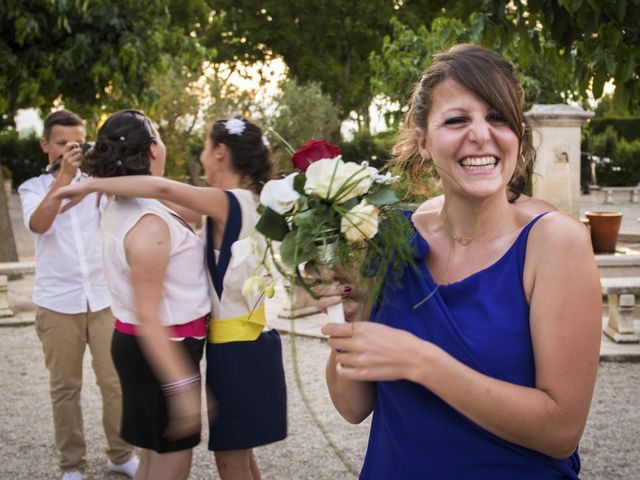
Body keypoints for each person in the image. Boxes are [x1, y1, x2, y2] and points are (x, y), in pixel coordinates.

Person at [319, 44, 602, 479]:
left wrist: (421, 361)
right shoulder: (391, 235)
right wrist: (348, 321)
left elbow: (560, 430)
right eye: (456, 120)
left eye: (497, 118)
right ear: (424, 144)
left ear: (518, 136)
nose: (481, 135)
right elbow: (352, 406)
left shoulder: (554, 242)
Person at [53, 115, 287, 480]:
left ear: (221, 152)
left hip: (238, 345)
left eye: (206, 148)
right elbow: (162, 200)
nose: (200, 155)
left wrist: (90, 184)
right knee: (236, 458)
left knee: (232, 460)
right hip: (231, 342)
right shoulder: (233, 202)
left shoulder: (233, 201)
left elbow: (162, 191)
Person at [17, 110, 138, 480]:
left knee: (115, 381)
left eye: (78, 142)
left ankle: (121, 454)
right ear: (45, 146)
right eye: (62, 143)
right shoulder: (33, 188)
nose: (71, 149)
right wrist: (65, 178)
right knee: (65, 388)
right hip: (57, 302)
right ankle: (72, 465)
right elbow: (39, 224)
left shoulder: (99, 183)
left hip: (103, 298)